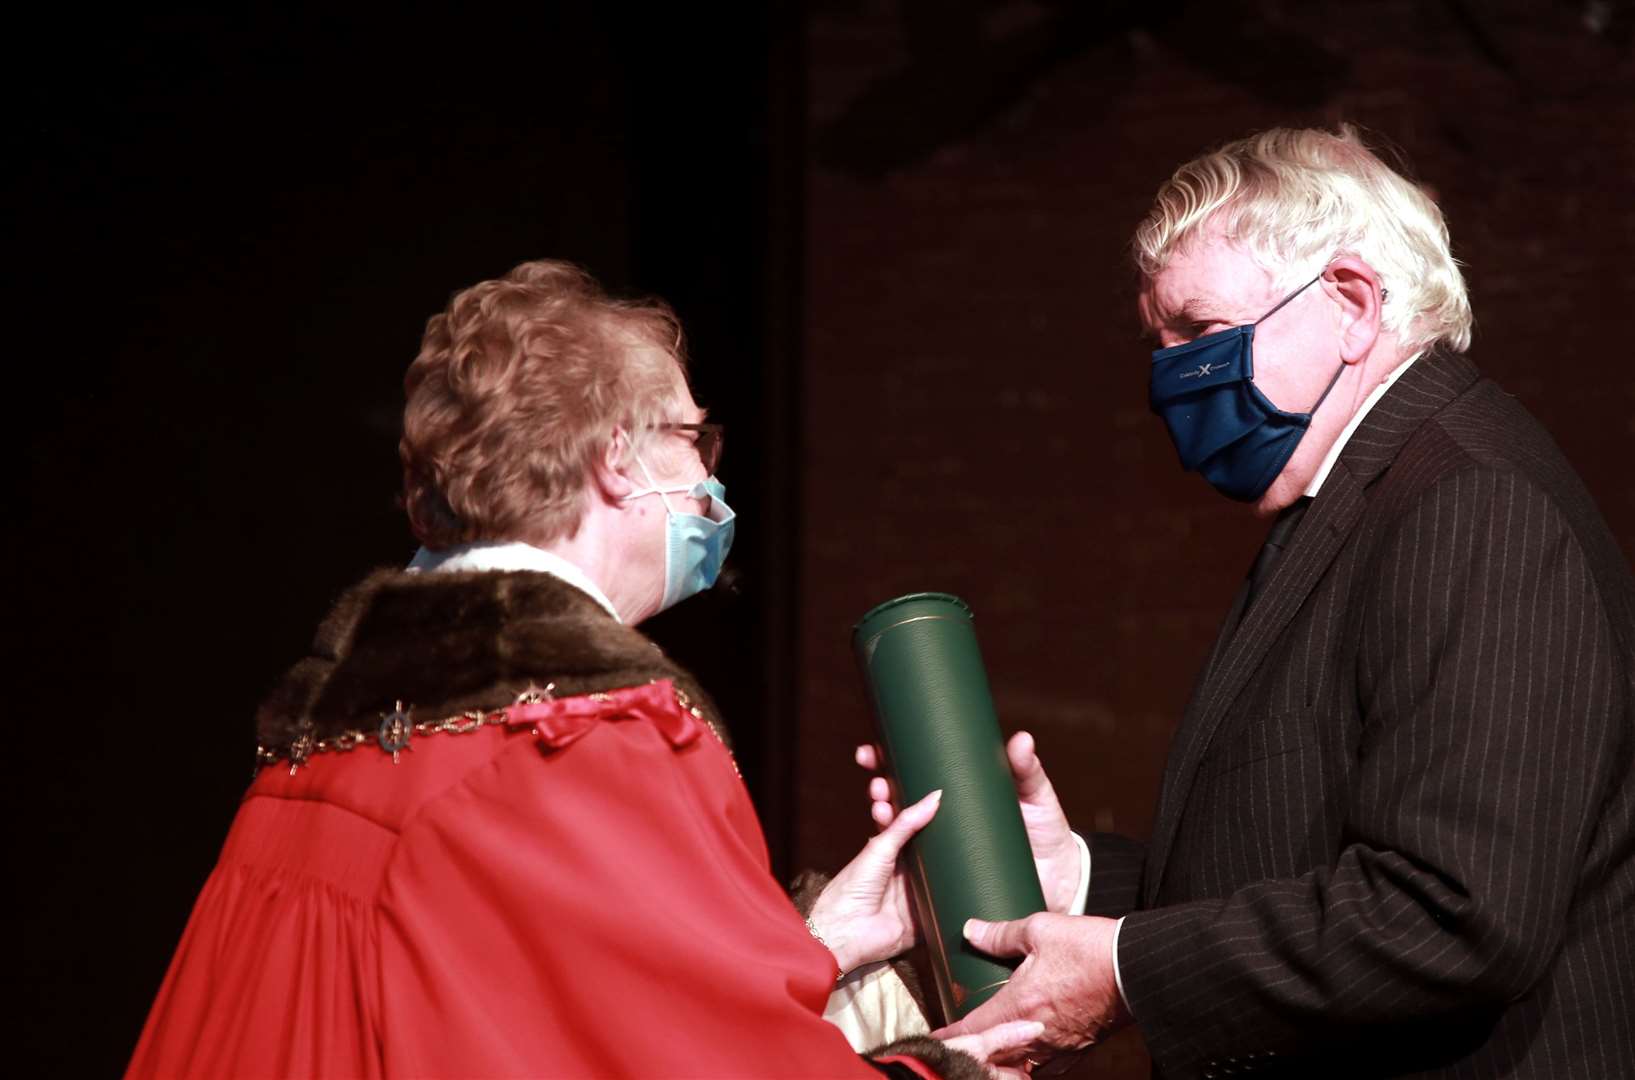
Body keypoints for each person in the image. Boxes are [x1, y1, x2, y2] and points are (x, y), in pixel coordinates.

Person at [125, 260, 1044, 1079]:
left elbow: (522, 1005)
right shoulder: (580, 738)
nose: (709, 482)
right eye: (693, 441)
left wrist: (806, 947)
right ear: (617, 457)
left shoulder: (330, 740)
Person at [885, 127, 1634, 1077]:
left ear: (1353, 302)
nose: (1170, 379)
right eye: (1157, 345)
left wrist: (1123, 970)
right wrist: (1080, 880)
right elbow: (1301, 850)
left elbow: (1451, 912)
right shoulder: (1361, 496)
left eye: (1199, 332)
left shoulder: (1468, 502)